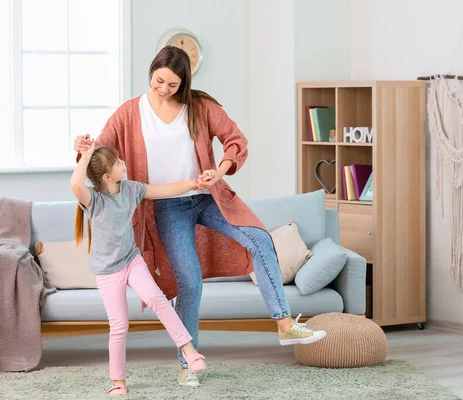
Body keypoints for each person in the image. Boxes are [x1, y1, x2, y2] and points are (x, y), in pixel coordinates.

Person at [74, 45, 326, 387]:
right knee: (189, 282)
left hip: (207, 198)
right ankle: (187, 363)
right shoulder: (129, 114)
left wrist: (218, 172)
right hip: (166, 206)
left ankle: (284, 323)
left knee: (260, 238)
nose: (163, 89)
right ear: (151, 71)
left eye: (172, 85)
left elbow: (235, 141)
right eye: (159, 80)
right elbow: (99, 157)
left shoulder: (200, 107)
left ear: (184, 84)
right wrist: (82, 147)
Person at [71, 142, 208, 395]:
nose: (123, 163)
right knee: (119, 325)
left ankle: (189, 351)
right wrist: (86, 155)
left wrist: (194, 184)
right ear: (107, 176)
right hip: (107, 270)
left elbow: (163, 190)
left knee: (156, 297)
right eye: (118, 162)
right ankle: (118, 383)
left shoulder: (131, 189)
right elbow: (75, 184)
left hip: (131, 259)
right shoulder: (94, 200)